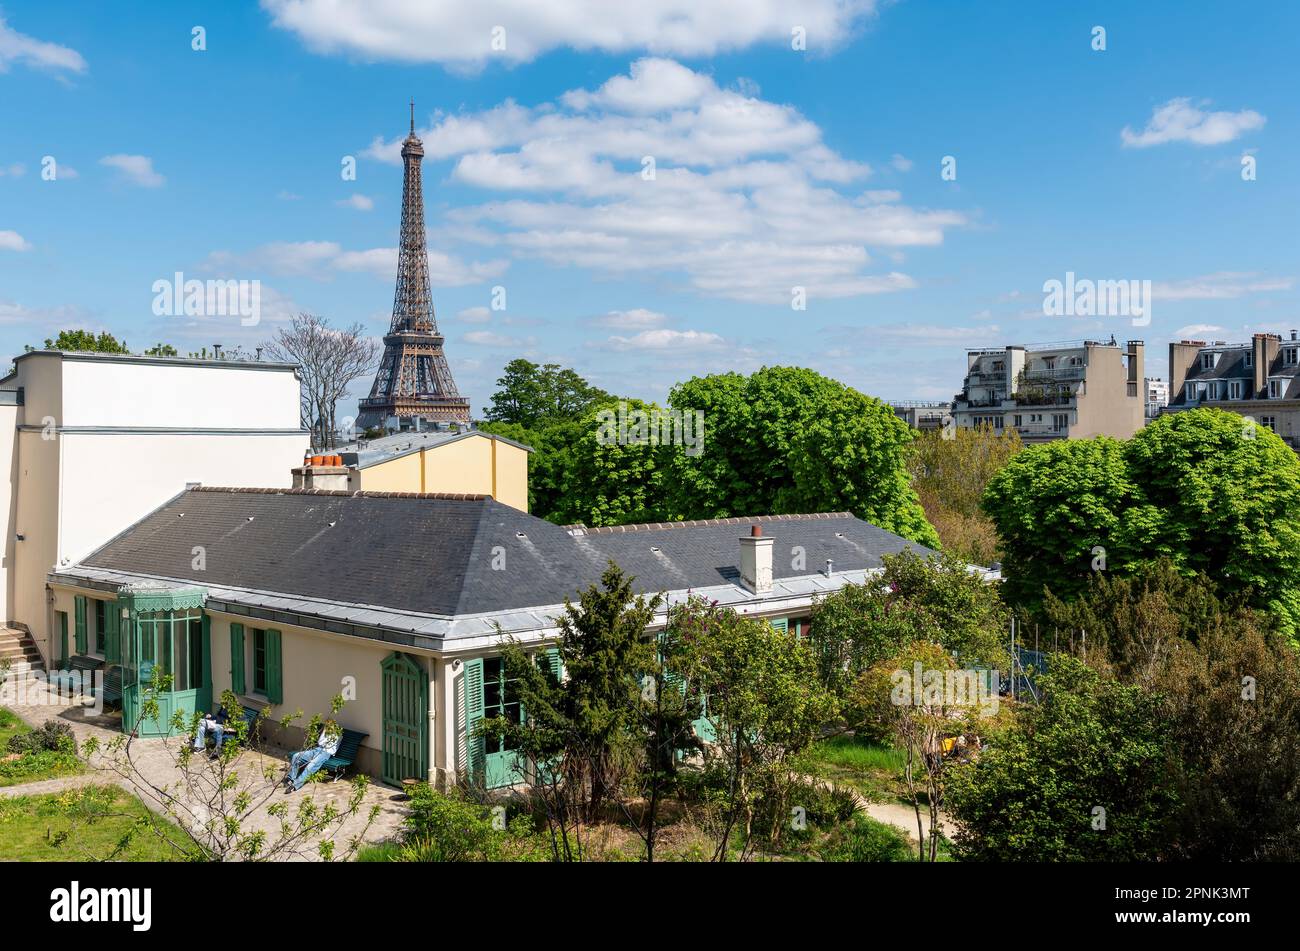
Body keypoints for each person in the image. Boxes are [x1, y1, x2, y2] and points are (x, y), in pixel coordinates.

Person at [285, 719, 342, 792]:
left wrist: (329, 731)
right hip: (316, 749)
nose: (327, 727)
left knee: (310, 766)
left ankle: (295, 785)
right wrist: (325, 731)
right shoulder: (326, 731)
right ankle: (290, 778)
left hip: (325, 753)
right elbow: (320, 742)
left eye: (329, 725)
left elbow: (328, 745)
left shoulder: (338, 734)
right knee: (296, 756)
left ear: (334, 726)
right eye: (326, 725)